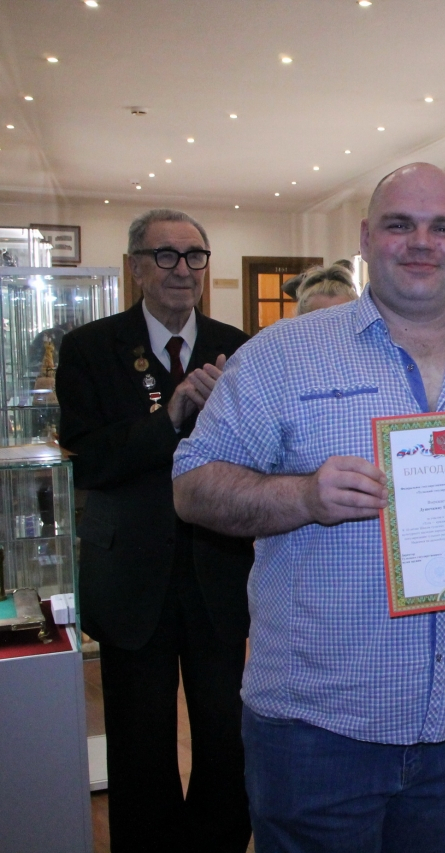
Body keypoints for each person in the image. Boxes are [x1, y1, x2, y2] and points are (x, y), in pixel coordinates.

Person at [170, 163, 445, 853]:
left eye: (443, 227)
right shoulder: (282, 356)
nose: (422, 242)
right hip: (318, 734)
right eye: (399, 224)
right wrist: (303, 496)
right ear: (364, 238)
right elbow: (192, 484)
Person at [56, 208, 253, 852]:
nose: (182, 269)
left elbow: (261, 453)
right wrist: (168, 418)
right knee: (139, 740)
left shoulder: (239, 348)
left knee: (225, 734)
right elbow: (90, 461)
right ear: (136, 266)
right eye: (165, 255)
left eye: (194, 255)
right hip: (130, 573)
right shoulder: (90, 348)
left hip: (219, 570)